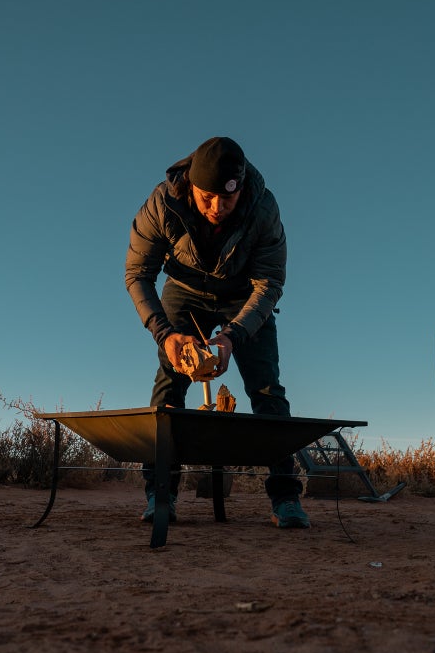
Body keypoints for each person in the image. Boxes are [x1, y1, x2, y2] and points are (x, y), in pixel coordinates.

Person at [124, 135, 309, 529]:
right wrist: (165, 335)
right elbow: (138, 275)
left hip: (244, 295)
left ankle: (286, 497)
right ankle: (162, 492)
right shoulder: (162, 203)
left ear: (241, 188)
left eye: (228, 198)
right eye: (207, 197)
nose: (217, 208)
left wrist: (232, 336)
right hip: (184, 292)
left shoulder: (263, 208)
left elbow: (270, 283)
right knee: (170, 380)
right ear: (191, 182)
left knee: (266, 388)